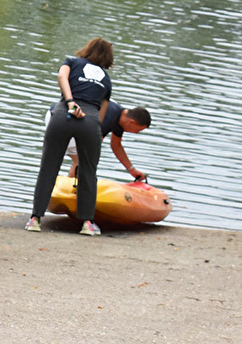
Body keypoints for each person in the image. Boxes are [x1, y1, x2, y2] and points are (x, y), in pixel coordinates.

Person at [27, 38, 114, 236]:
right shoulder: (106, 79)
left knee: (48, 167)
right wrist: (91, 127)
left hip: (62, 115)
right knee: (88, 172)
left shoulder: (72, 62)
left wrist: (70, 102)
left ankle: (35, 219)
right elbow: (102, 113)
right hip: (90, 120)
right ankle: (87, 224)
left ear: (88, 49)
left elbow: (61, 77)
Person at [65, 103, 152, 181]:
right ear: (131, 122)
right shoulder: (108, 117)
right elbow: (91, 147)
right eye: (138, 130)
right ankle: (71, 189)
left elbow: (116, 145)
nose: (136, 133)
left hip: (72, 120)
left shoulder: (121, 117)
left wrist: (131, 169)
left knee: (83, 160)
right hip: (66, 120)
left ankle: (71, 186)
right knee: (84, 161)